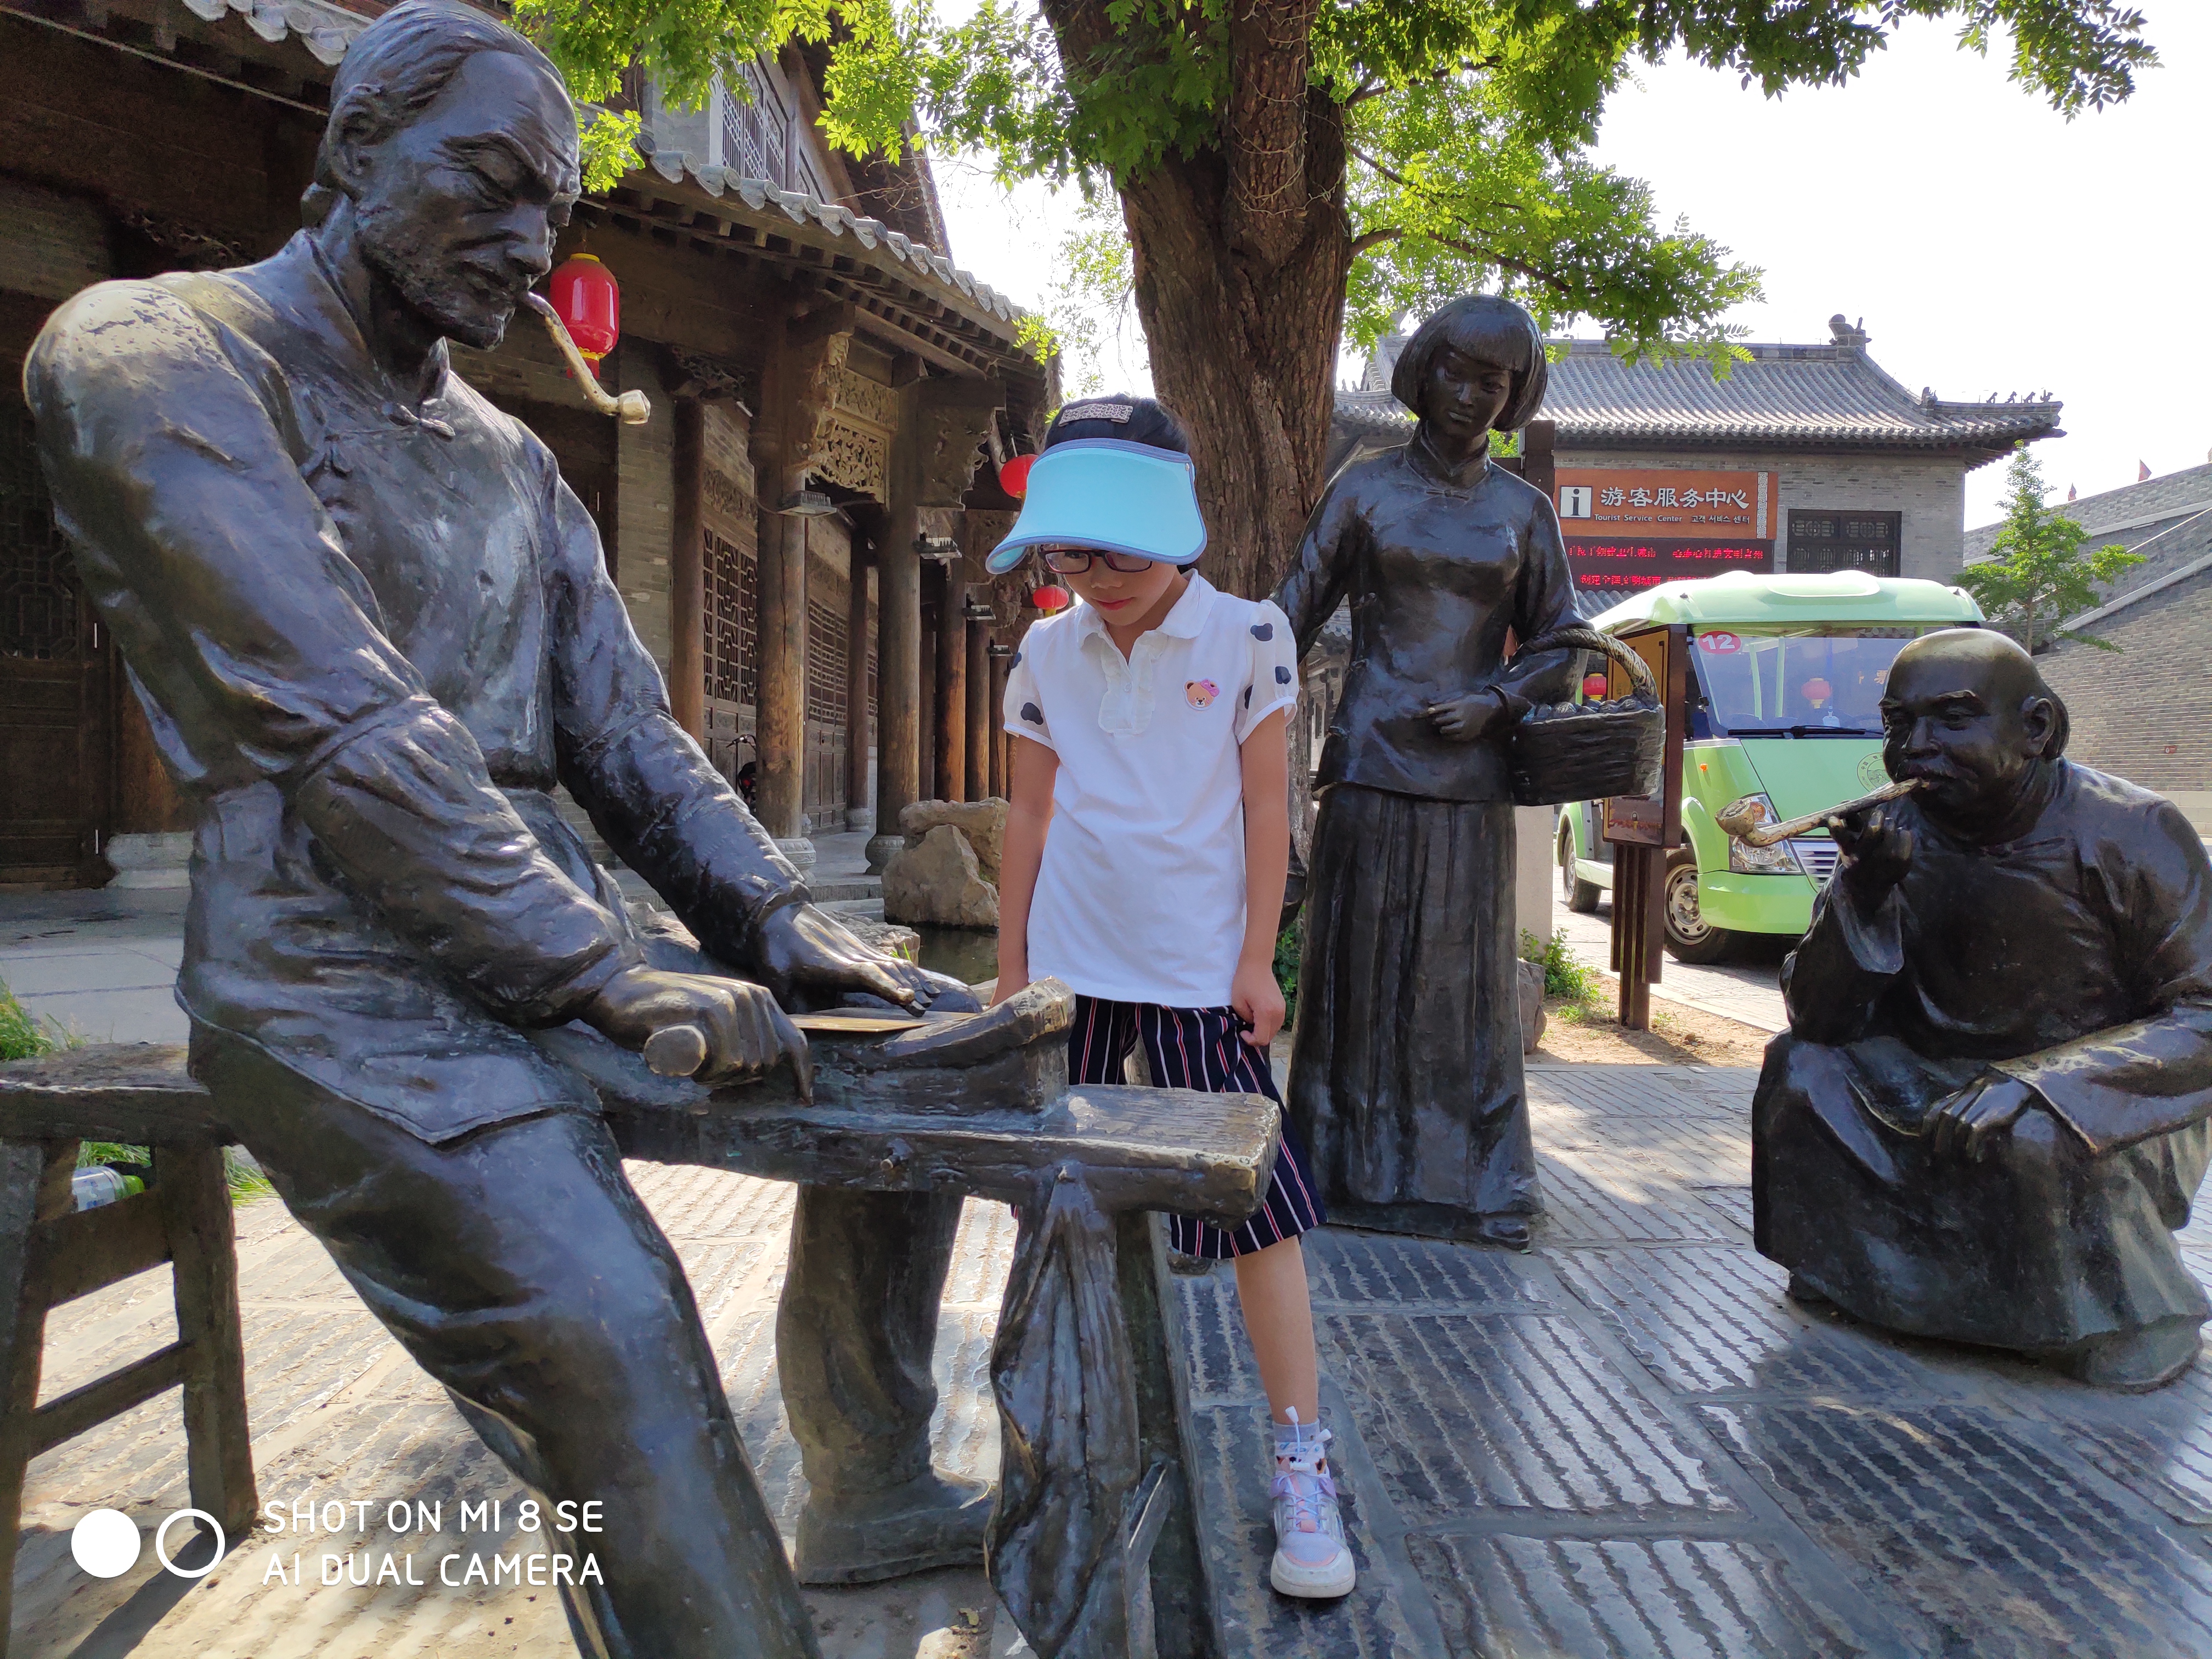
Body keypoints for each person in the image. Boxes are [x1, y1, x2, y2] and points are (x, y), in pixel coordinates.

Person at [24, 6, 982, 1652]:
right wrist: (594, 976)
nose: (529, 241)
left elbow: (630, 738)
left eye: (555, 207)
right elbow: (332, 716)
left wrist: (773, 919)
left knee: (940, 1049)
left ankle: (875, 1471)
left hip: (558, 943)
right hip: (334, 977)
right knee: (618, 1336)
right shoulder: (153, 355)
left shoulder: (516, 463)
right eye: (488, 179)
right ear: (352, 152)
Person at [988, 397, 1356, 1599]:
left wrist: (1260, 960)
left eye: (1118, 551)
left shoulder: (1250, 637)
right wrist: (1008, 974)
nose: (1095, 578)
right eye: (1070, 553)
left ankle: (1299, 1457)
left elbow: (1266, 812)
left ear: (1177, 528)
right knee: (1056, 1204)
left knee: (1261, 1213)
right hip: (1073, 965)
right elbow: (1030, 816)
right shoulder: (1047, 649)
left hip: (1201, 972)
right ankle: (1052, 1449)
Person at [1754, 628, 2212, 1390]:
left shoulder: (2132, 831)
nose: (1915, 747)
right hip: (1934, 1076)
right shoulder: (1891, 834)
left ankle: (2134, 1316)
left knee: (2034, 1136)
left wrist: (2047, 1083)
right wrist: (1862, 895)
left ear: (2036, 728)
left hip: (2100, 1097)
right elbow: (1820, 1020)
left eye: (1952, 719)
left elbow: (2203, 1014)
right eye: (1899, 723)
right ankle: (1861, 1275)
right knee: (1801, 1072)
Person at [1273, 296, 1581, 1249]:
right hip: (1370, 760)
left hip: (1472, 774)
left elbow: (1565, 640)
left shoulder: (1523, 511)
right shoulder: (1365, 488)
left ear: (1515, 392)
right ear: (1423, 371)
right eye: (1456, 371)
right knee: (1357, 976)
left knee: (1460, 986)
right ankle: (1333, 1172)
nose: (1471, 395)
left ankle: (1475, 1187)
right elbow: (1288, 608)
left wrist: (1497, 701)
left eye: (1494, 381)